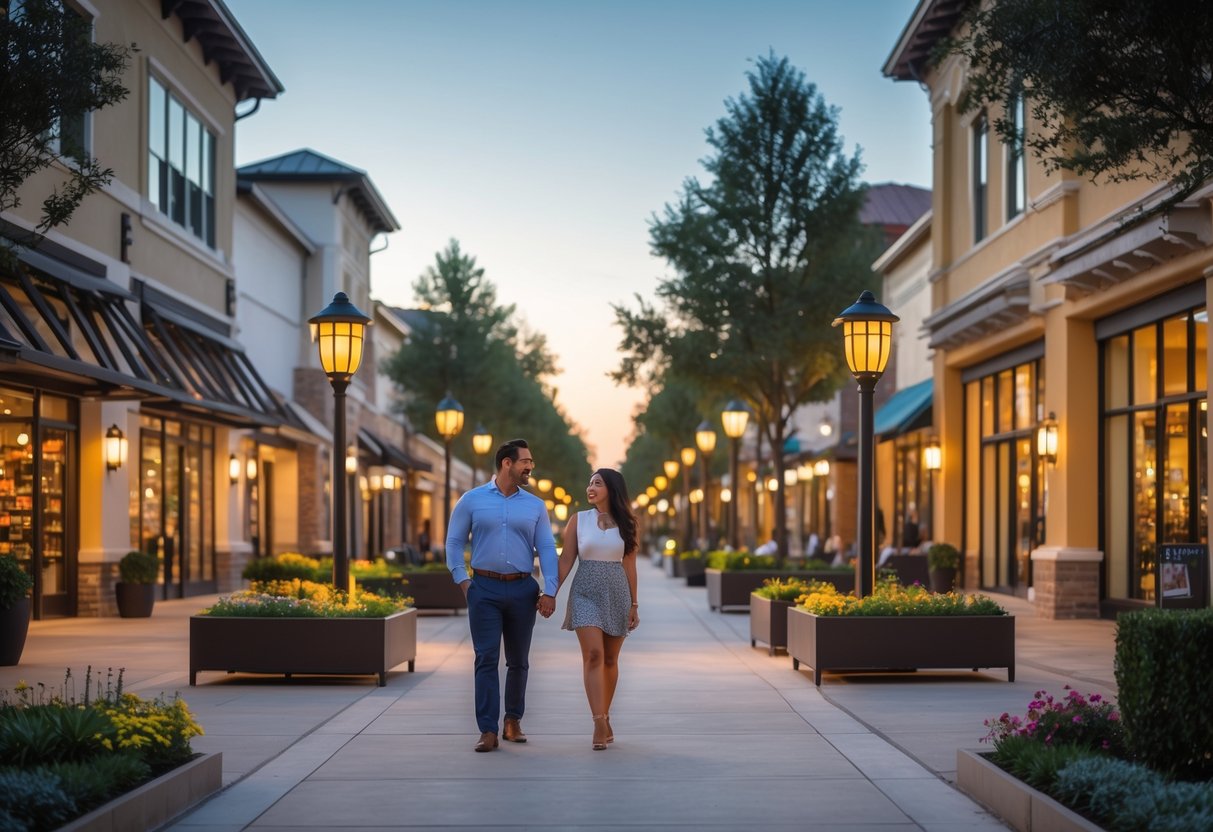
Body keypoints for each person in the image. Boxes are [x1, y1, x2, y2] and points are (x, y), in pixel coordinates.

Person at [446, 439, 558, 753]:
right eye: (526, 462)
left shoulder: (535, 505)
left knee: (519, 661)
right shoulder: (472, 500)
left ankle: (512, 721)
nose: (530, 468)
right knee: (486, 659)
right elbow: (454, 542)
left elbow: (547, 549)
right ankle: (487, 730)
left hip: (523, 589)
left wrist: (550, 589)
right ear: (506, 463)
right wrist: (463, 581)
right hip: (484, 588)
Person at [557, 468, 639, 750]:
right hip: (585, 592)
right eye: (589, 482)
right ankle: (598, 721)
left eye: (597, 483)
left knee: (610, 660)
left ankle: (605, 713)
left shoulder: (628, 523)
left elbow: (629, 565)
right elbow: (567, 559)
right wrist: (550, 593)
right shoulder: (578, 521)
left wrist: (634, 604)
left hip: (617, 592)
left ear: (612, 489)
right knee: (593, 654)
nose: (590, 487)